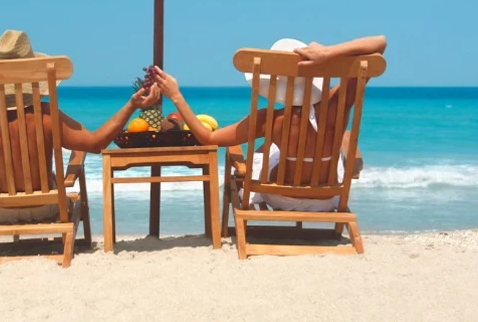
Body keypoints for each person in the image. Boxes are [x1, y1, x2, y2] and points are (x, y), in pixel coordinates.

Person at [0, 30, 160, 222]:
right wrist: (131, 105)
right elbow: (95, 144)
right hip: (46, 207)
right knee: (76, 158)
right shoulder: (46, 116)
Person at [153, 35, 386, 211]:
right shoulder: (337, 105)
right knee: (326, 151)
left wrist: (176, 96)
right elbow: (380, 43)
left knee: (267, 151)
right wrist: (328, 53)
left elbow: (208, 138)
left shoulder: (268, 120)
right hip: (327, 199)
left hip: (281, 197)